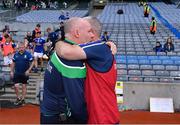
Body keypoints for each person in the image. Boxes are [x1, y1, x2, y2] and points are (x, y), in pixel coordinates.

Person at [55, 16, 119, 124]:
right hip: (106, 115)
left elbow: (65, 51)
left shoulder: (98, 48)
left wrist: (58, 42)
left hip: (102, 118)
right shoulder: (101, 48)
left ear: (91, 32)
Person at [40, 17, 95, 124]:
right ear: (77, 33)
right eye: (89, 31)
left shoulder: (62, 50)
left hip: (50, 114)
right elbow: (77, 104)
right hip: (60, 118)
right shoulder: (70, 61)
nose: (92, 35)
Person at [10, 41, 34, 106]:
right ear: (18, 48)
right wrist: (11, 71)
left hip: (24, 73)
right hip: (17, 73)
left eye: (22, 47)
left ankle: (23, 99)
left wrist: (28, 70)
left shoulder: (28, 54)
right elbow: (13, 63)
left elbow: (32, 62)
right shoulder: (16, 54)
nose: (21, 48)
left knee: (24, 86)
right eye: (20, 47)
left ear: (24, 47)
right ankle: (18, 98)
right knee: (16, 86)